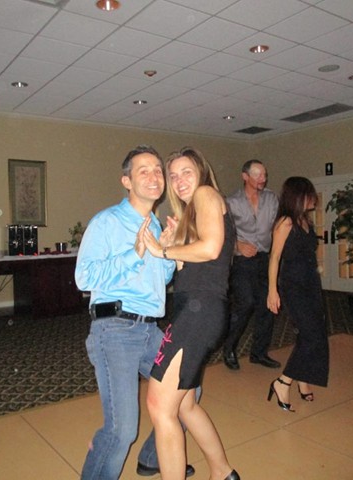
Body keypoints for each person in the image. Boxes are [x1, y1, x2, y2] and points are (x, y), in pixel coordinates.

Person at [75, 145, 195, 479]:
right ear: (126, 181)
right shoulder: (107, 222)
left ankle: (153, 458)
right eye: (144, 170)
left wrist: (167, 252)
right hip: (115, 329)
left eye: (158, 170)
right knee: (121, 429)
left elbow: (159, 280)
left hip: (149, 329)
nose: (155, 176)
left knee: (189, 392)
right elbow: (84, 277)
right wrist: (135, 252)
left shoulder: (155, 225)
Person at [142, 147, 240, 480]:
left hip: (199, 313)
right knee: (184, 405)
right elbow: (192, 268)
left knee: (160, 406)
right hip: (198, 310)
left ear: (201, 172)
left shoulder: (205, 194)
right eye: (173, 175)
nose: (179, 180)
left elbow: (211, 248)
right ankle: (223, 472)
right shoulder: (192, 212)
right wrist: (174, 246)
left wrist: (163, 249)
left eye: (186, 172)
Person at [266, 176, 329, 412]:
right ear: (298, 196)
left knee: (315, 332)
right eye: (309, 194)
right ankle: (283, 382)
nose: (314, 199)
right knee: (311, 335)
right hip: (293, 285)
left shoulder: (305, 220)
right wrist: (272, 290)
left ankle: (303, 379)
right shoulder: (286, 222)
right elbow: (274, 258)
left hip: (311, 282)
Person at [223, 159, 281, 370]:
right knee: (245, 303)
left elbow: (278, 227)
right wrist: (238, 245)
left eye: (264, 175)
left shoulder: (272, 199)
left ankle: (259, 353)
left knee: (268, 305)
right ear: (245, 176)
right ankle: (229, 347)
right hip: (242, 261)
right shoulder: (231, 202)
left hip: (265, 259)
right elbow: (223, 233)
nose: (262, 179)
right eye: (257, 175)